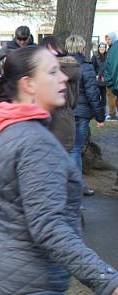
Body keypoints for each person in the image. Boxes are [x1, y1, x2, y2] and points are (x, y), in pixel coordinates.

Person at [0, 46, 118, 295]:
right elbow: (49, 227)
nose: (63, 78)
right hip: (30, 286)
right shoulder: (35, 144)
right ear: (28, 85)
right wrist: (108, 282)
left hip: (8, 275)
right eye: (52, 72)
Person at [66, 35, 105, 197]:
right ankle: (77, 185)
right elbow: (92, 93)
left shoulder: (59, 65)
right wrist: (100, 116)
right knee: (75, 149)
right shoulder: (86, 68)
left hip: (64, 112)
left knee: (64, 148)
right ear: (82, 48)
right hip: (81, 113)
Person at [40, 36, 80, 153]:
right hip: (65, 122)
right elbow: (74, 101)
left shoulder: (48, 70)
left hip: (55, 124)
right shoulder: (73, 68)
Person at [92, 41, 109, 118]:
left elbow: (108, 67)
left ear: (105, 48)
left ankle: (103, 113)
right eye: (100, 47)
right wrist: (96, 75)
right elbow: (92, 66)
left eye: (103, 47)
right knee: (96, 96)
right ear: (98, 48)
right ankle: (96, 112)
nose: (102, 48)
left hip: (105, 79)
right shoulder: (95, 56)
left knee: (103, 97)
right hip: (97, 79)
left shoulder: (108, 56)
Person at [104, 32, 118, 120]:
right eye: (106, 39)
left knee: (111, 95)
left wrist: (110, 79)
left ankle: (112, 114)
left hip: (112, 78)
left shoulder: (115, 48)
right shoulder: (112, 47)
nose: (107, 41)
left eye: (109, 39)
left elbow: (113, 64)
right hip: (112, 77)